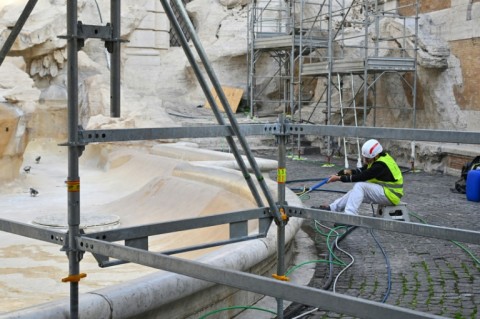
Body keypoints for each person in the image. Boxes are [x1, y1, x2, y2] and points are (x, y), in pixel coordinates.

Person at [317, 139, 403, 216]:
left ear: (375, 155)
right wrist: (343, 173)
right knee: (355, 192)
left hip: (391, 195)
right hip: (385, 191)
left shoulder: (380, 165)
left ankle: (349, 216)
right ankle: (333, 208)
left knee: (360, 186)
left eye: (367, 159)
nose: (365, 161)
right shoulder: (379, 158)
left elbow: (361, 176)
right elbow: (361, 171)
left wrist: (339, 179)